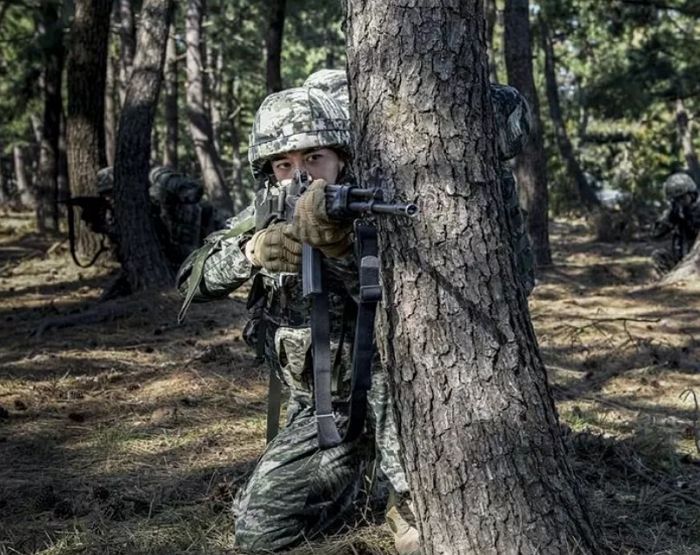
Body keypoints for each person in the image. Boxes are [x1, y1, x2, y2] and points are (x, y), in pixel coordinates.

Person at [177, 86, 415, 553]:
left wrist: (341, 249)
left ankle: (399, 494)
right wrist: (251, 252)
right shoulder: (266, 209)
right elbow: (192, 279)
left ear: (342, 159)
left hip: (378, 409)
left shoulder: (365, 210)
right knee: (255, 526)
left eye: (314, 158)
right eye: (284, 164)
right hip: (312, 412)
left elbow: (401, 310)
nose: (298, 176)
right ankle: (356, 484)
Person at [651, 172, 700, 275]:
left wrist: (690, 216)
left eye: (682, 198)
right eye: (676, 200)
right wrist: (671, 217)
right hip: (682, 259)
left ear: (692, 194)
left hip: (696, 257)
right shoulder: (676, 210)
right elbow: (656, 233)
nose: (680, 202)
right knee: (658, 256)